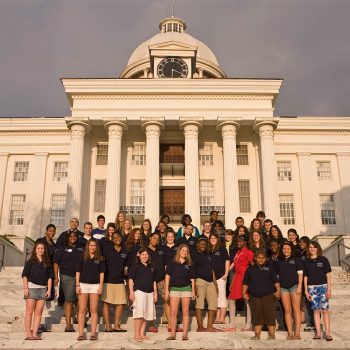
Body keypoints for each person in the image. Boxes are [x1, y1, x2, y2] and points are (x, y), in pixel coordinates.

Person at [243, 250, 281, 340]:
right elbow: (245, 282)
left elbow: (276, 280)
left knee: (270, 315)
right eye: (259, 258)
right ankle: (257, 335)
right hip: (254, 296)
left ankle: (272, 335)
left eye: (263, 258)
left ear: (266, 259)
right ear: (255, 258)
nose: (261, 259)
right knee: (257, 316)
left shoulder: (270, 268)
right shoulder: (250, 269)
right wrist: (244, 292)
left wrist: (278, 290)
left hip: (269, 295)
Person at [76, 239, 105, 341]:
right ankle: (81, 334)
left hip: (95, 286)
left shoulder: (100, 258)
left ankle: (93, 334)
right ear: (88, 246)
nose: (92, 247)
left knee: (93, 310)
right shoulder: (82, 257)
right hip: (83, 285)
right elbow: (78, 272)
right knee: (82, 310)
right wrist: (77, 285)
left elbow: (102, 274)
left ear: (96, 247)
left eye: (94, 246)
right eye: (91, 245)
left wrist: (101, 286)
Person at [22, 242, 53, 340]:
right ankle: (28, 334)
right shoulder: (30, 261)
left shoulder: (47, 262)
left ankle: (35, 334)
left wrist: (49, 289)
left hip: (43, 290)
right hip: (31, 288)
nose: (40, 250)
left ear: (44, 250)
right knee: (29, 312)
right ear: (35, 249)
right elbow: (25, 276)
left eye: (42, 248)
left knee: (38, 313)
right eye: (38, 248)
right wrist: (26, 288)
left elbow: (50, 277)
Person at [53, 231, 83, 332]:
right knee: (69, 299)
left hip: (80, 277)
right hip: (67, 276)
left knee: (80, 299)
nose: (73, 237)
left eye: (75, 236)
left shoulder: (81, 249)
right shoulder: (62, 249)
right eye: (71, 236)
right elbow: (56, 263)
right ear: (67, 238)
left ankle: (79, 318)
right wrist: (56, 277)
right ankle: (68, 325)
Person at [165, 244, 195, 341]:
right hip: (174, 289)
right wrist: (166, 290)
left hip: (186, 289)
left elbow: (193, 279)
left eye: (186, 251)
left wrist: (193, 291)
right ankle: (172, 334)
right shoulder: (172, 262)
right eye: (183, 250)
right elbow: (167, 276)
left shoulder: (189, 263)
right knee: (173, 313)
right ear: (179, 251)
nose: (185, 252)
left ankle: (184, 334)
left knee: (185, 312)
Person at [303, 241, 332, 341]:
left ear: (317, 248)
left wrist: (329, 289)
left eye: (314, 247)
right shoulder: (306, 261)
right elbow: (305, 276)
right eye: (310, 247)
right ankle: (318, 334)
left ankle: (327, 333)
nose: (312, 249)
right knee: (316, 311)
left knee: (324, 311)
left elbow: (328, 275)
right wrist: (306, 290)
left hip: (323, 287)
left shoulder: (323, 259)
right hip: (312, 288)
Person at [128, 248, 157, 342]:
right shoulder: (135, 265)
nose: (145, 256)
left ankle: (142, 334)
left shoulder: (151, 266)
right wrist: (131, 292)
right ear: (139, 255)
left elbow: (154, 281)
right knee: (139, 314)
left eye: (146, 254)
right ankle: (136, 334)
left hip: (150, 293)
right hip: (139, 292)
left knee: (146, 314)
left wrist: (155, 294)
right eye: (143, 254)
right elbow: (131, 279)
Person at [101, 232, 128, 332]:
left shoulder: (125, 251)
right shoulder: (107, 249)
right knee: (106, 303)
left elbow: (126, 266)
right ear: (112, 239)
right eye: (115, 237)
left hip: (120, 280)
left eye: (119, 237)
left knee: (121, 303)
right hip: (108, 280)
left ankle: (116, 326)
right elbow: (102, 262)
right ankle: (108, 326)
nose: (117, 239)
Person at [276, 241, 304, 339]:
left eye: (288, 249)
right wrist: (278, 289)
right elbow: (277, 277)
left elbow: (300, 274)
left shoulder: (296, 260)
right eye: (284, 249)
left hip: (295, 287)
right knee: (287, 310)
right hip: (283, 288)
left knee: (296, 309)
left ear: (291, 249)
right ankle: (289, 333)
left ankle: (297, 333)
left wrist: (300, 287)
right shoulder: (279, 261)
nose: (286, 250)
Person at [227, 235, 254, 331]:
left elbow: (253, 266)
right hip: (237, 277)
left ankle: (248, 325)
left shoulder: (249, 252)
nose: (238, 243)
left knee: (247, 300)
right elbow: (235, 267)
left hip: (245, 278)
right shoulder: (238, 252)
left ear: (245, 242)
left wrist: (252, 279)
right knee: (231, 299)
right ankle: (232, 325)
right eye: (237, 241)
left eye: (240, 241)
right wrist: (231, 282)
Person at [192, 237, 219, 332]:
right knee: (200, 304)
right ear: (197, 245)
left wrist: (215, 284)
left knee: (213, 304)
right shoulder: (194, 255)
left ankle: (209, 326)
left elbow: (212, 270)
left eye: (205, 244)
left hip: (210, 282)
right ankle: (200, 327)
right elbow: (192, 271)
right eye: (201, 244)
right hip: (200, 281)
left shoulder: (208, 255)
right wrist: (194, 285)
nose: (203, 246)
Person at [147, 232, 170, 332]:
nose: (156, 240)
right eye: (154, 238)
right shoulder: (145, 250)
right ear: (150, 238)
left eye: (157, 239)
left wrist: (166, 278)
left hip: (161, 280)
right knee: (150, 302)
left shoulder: (161, 250)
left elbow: (165, 265)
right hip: (149, 280)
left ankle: (170, 323)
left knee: (167, 299)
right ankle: (151, 324)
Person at [208, 233, 230, 324]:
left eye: (214, 238)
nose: (212, 239)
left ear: (217, 239)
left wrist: (226, 273)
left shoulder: (222, 248)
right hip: (211, 278)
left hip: (221, 277)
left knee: (221, 297)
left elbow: (227, 260)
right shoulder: (209, 250)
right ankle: (217, 317)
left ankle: (222, 318)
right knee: (215, 298)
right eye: (211, 238)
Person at [299, 236, 315, 332]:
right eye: (300, 242)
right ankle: (310, 323)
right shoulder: (301, 253)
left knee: (312, 304)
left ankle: (312, 323)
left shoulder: (309, 254)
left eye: (304, 242)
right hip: (303, 280)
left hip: (310, 281)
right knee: (306, 304)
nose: (301, 244)